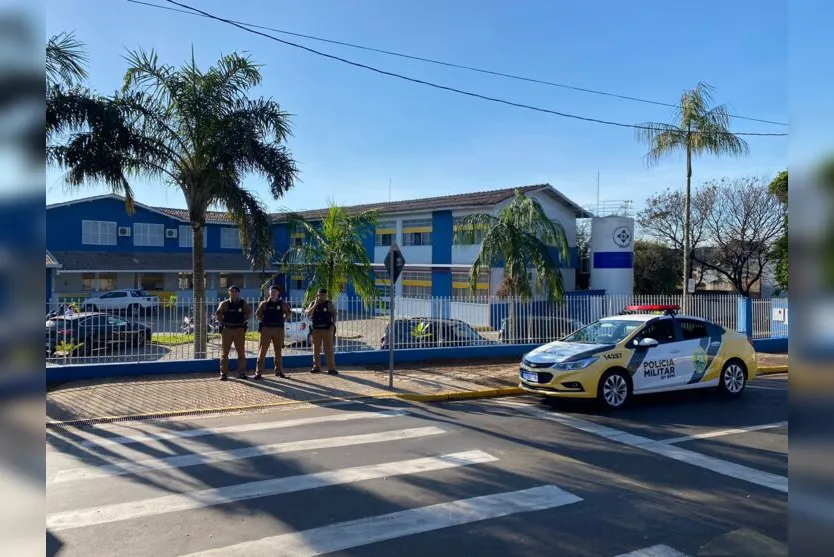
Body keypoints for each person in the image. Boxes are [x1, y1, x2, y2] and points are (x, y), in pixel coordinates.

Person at [215, 285, 252, 380]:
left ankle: (242, 372)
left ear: (238, 293)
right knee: (225, 352)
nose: (234, 293)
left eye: (235, 291)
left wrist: (243, 319)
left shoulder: (243, 303)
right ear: (229, 292)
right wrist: (222, 323)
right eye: (232, 291)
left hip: (239, 329)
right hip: (227, 329)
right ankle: (223, 373)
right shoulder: (224, 304)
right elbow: (218, 315)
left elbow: (249, 313)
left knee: (241, 352)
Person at [255, 284, 291, 380]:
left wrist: (283, 319)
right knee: (262, 351)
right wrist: (264, 320)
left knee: (278, 351)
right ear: (269, 292)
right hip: (266, 329)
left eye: (275, 291)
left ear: (278, 293)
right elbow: (258, 315)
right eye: (271, 291)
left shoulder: (282, 303)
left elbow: (288, 313)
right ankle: (259, 372)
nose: (273, 293)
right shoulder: (264, 304)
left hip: (278, 330)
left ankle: (279, 371)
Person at [305, 288, 338, 375]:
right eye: (320, 294)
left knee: (329, 349)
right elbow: (308, 313)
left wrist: (333, 325)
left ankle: (331, 369)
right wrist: (315, 304)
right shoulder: (313, 303)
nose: (322, 296)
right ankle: (316, 367)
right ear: (317, 295)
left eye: (324, 295)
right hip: (316, 330)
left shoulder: (329, 304)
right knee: (316, 350)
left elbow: (334, 314)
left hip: (327, 329)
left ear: (326, 295)